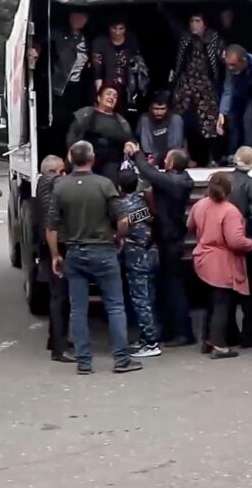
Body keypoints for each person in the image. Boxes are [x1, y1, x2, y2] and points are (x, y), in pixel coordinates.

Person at [46, 141, 141, 375]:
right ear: (93, 159)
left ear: (70, 160)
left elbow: (51, 227)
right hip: (104, 251)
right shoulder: (105, 184)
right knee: (115, 307)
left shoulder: (60, 188)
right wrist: (118, 238)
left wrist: (56, 255)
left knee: (78, 309)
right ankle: (121, 359)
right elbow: (122, 220)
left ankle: (84, 362)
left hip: (75, 253)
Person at [125, 143, 195, 347]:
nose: (164, 161)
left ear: (172, 164)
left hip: (170, 239)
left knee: (174, 288)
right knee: (166, 286)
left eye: (167, 160)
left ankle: (183, 332)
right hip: (169, 237)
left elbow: (150, 174)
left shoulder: (174, 183)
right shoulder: (180, 180)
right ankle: (169, 330)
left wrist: (136, 153)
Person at [187, 172, 252, 359]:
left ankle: (207, 341)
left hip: (202, 258)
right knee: (222, 304)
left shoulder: (199, 205)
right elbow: (235, 241)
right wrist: (251, 244)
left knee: (210, 303)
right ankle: (219, 345)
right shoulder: (230, 211)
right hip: (222, 262)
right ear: (229, 189)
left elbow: (190, 225)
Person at [28, 11, 92, 158]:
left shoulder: (88, 39)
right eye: (74, 16)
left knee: (77, 124)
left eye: (82, 17)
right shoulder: (57, 33)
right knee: (58, 124)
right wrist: (36, 52)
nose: (78, 19)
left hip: (78, 87)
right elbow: (41, 42)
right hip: (60, 86)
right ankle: (55, 157)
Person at [169, 13, 225, 167]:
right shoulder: (185, 38)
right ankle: (183, 157)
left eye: (197, 21)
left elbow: (222, 58)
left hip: (206, 85)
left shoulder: (213, 38)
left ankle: (213, 159)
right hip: (186, 84)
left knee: (209, 122)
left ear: (204, 24)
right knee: (180, 120)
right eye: (191, 21)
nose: (194, 24)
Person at [116, 170, 161, 359]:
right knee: (149, 298)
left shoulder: (124, 206)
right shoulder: (145, 199)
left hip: (137, 256)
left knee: (141, 300)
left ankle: (151, 343)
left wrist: (119, 237)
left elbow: (124, 225)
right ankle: (146, 338)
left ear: (119, 187)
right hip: (152, 252)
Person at [35, 155, 74, 363]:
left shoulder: (44, 183)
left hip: (50, 245)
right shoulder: (51, 181)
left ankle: (55, 339)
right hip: (55, 246)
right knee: (60, 297)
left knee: (58, 294)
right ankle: (59, 348)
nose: (65, 173)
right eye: (62, 170)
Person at [227, 146, 252, 348]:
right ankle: (248, 334)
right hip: (245, 239)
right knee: (251, 289)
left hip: (226, 241)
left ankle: (231, 333)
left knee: (229, 288)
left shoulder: (226, 181)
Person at [66, 83, 135, 185]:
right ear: (99, 98)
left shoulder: (121, 121)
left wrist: (129, 145)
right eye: (108, 94)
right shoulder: (86, 115)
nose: (111, 97)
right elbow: (72, 139)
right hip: (87, 163)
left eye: (115, 96)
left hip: (112, 167)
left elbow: (130, 139)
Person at [91, 16, 146, 117]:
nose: (117, 32)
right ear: (109, 28)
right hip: (106, 86)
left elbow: (137, 64)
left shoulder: (131, 40)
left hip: (127, 88)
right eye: (114, 28)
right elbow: (97, 72)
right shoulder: (100, 42)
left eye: (121, 28)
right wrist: (100, 94)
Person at [137, 90, 184, 169]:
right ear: (150, 108)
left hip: (172, 156)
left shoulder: (175, 118)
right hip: (152, 157)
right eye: (156, 109)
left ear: (168, 109)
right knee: (144, 119)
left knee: (177, 119)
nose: (159, 112)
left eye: (162, 109)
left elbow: (179, 144)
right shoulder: (144, 119)